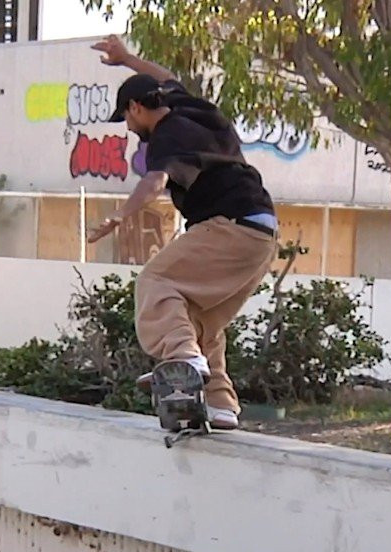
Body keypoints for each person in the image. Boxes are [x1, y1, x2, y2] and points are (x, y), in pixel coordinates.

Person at [84, 35, 279, 431]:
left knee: (156, 280)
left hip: (230, 225)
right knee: (198, 318)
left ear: (136, 107)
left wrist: (119, 216)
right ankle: (220, 404)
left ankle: (183, 360)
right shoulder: (191, 106)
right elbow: (166, 75)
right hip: (261, 234)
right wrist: (126, 58)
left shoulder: (167, 136)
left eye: (127, 118)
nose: (129, 127)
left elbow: (155, 181)